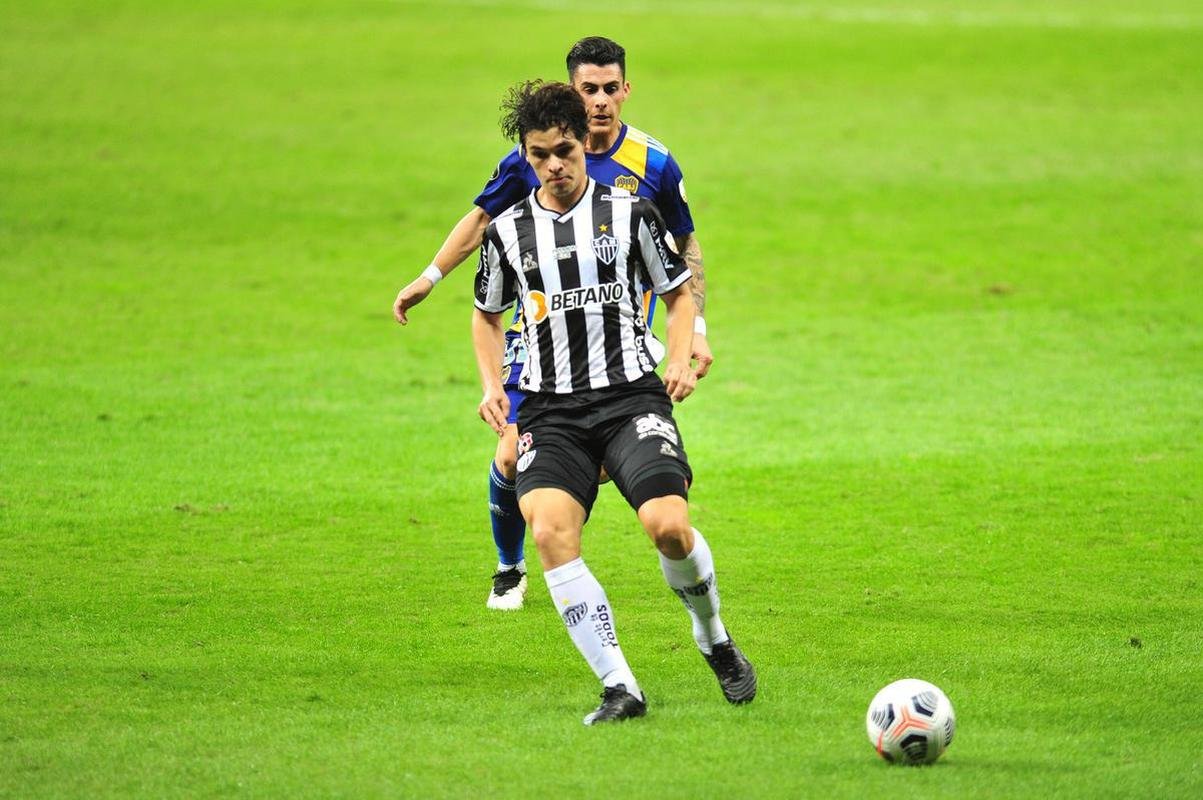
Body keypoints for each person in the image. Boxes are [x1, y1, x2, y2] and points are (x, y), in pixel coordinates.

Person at [393, 37, 712, 611]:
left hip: (618, 341)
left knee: (615, 469)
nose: (600, 101)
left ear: (626, 89)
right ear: (572, 92)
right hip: (538, 337)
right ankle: (509, 567)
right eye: (588, 89)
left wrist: (698, 336)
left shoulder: (654, 163)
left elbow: (683, 251)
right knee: (513, 455)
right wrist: (431, 276)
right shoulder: (537, 155)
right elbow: (483, 220)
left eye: (610, 88)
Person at [472, 80, 755, 724]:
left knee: (669, 527)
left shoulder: (629, 214)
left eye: (564, 151)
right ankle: (620, 685)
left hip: (630, 398)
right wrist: (494, 386)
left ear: (584, 142)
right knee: (548, 530)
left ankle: (713, 636)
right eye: (539, 155)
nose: (553, 166)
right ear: (526, 155)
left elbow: (678, 292)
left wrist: (680, 354)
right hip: (549, 410)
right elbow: (486, 316)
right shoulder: (509, 233)